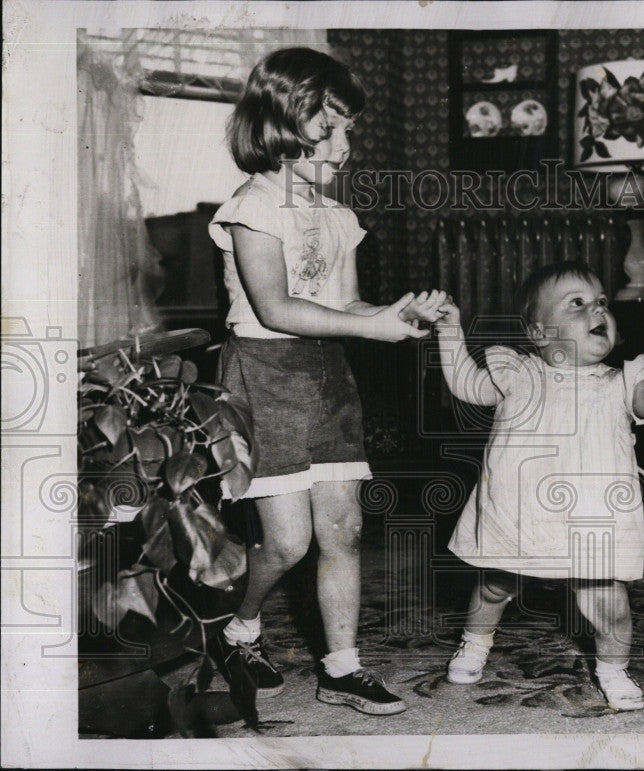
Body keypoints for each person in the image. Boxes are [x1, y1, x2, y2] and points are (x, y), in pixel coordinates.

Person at [206, 47, 446, 716]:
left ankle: (342, 666)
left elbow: (346, 306)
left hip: (328, 377)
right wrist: (369, 328)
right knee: (287, 540)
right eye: (327, 132)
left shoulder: (338, 218)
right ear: (281, 128)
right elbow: (276, 307)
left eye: (347, 134)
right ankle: (239, 629)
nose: (343, 149)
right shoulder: (253, 206)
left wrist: (396, 313)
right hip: (264, 376)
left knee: (342, 528)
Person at [434, 261, 644, 711]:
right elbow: (465, 385)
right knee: (495, 585)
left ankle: (613, 668)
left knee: (609, 603)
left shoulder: (621, 381)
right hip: (520, 513)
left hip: (594, 518)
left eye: (601, 303)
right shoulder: (519, 372)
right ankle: (476, 641)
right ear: (538, 333)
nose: (597, 311)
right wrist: (449, 329)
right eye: (577, 304)